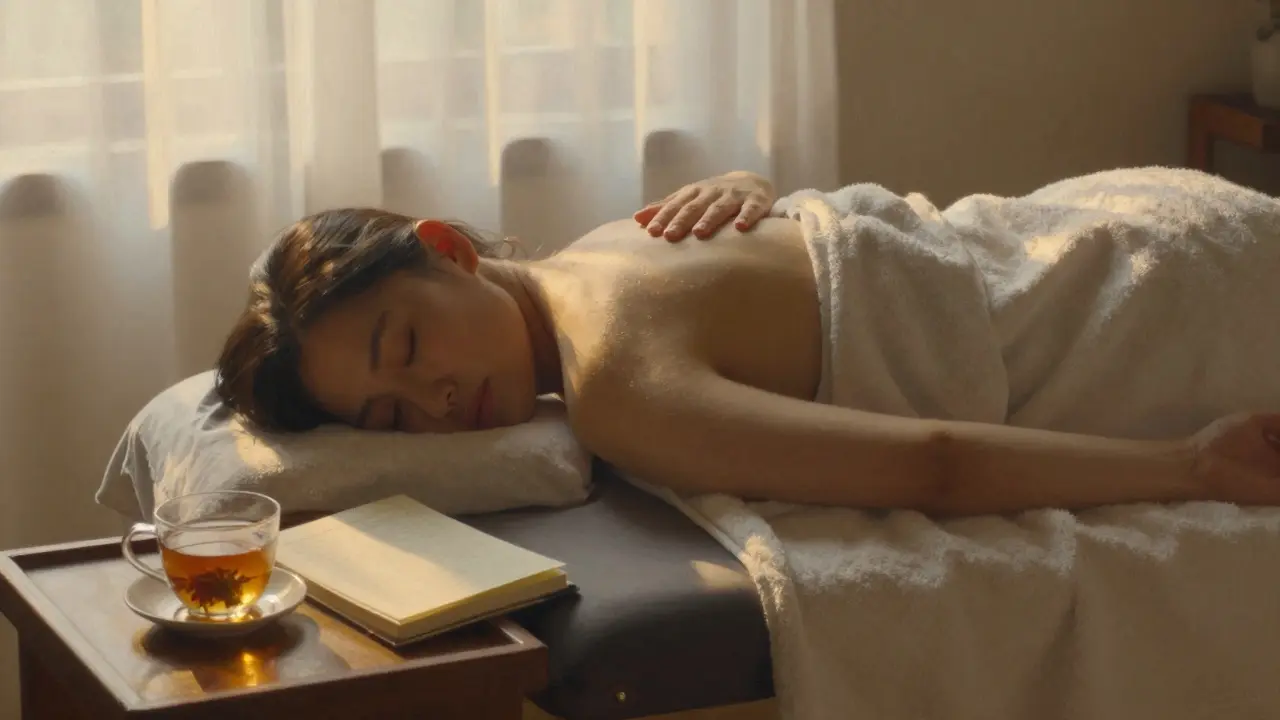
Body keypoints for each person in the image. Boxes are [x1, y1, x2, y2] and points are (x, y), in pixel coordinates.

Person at [215, 169, 1280, 517]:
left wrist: (1193, 467)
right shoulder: (614, 239)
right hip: (1139, 215)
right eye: (391, 417)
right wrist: (756, 185)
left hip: (1127, 310)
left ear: (444, 249)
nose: (436, 402)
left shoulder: (612, 385)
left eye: (406, 349)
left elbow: (928, 461)